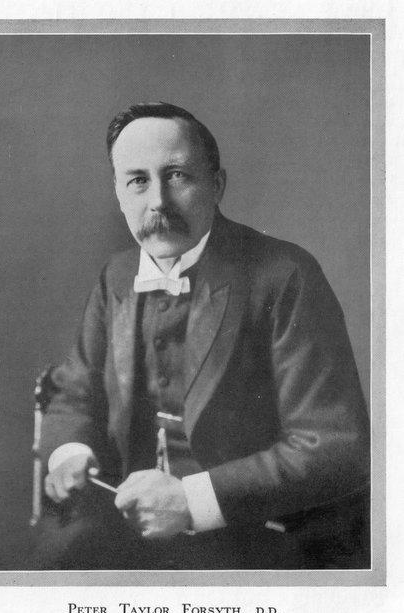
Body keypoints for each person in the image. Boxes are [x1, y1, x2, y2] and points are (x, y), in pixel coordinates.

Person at [31, 102, 370, 570]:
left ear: (217, 184)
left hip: (257, 530)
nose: (158, 201)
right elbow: (74, 391)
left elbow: (334, 446)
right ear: (119, 193)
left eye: (176, 176)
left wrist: (191, 501)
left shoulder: (286, 274)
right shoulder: (117, 276)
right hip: (131, 523)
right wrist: (71, 453)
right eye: (137, 180)